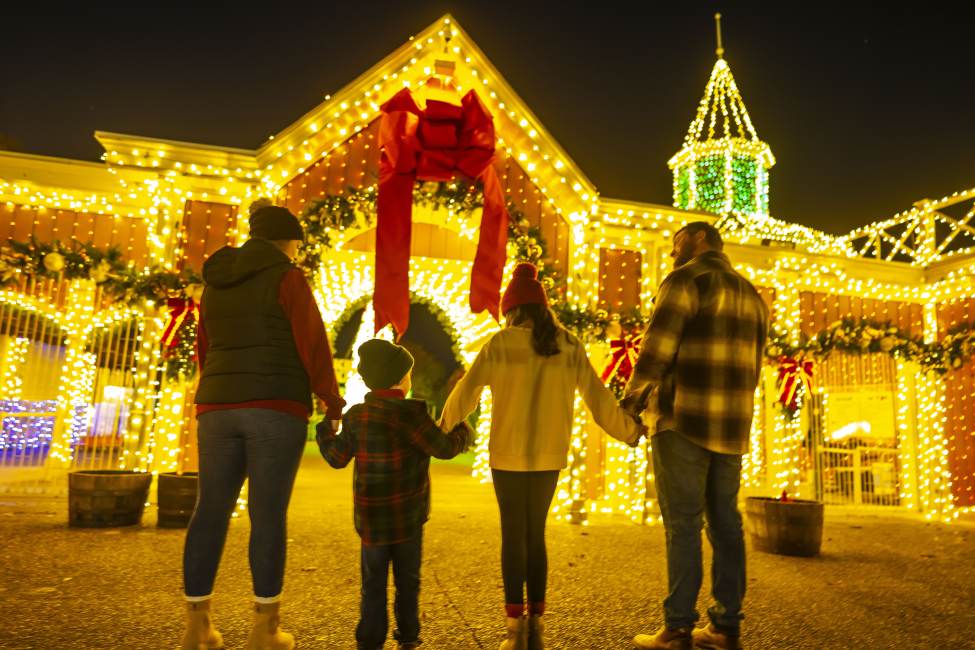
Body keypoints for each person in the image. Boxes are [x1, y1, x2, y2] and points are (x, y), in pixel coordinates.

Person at [439, 262, 646, 650]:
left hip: (507, 454)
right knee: (536, 534)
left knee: (512, 535)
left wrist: (441, 430)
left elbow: (465, 392)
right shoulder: (568, 344)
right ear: (543, 308)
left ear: (512, 310)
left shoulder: (500, 343)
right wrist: (630, 431)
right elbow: (598, 399)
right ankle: (537, 626)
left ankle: (514, 631)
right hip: (550, 456)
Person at [181, 203, 346, 650]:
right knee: (267, 514)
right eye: (296, 244)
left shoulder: (213, 284)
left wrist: (217, 390)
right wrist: (332, 402)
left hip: (216, 406)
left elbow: (205, 347)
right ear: (284, 242)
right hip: (275, 406)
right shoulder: (287, 277)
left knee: (210, 510)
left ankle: (197, 626)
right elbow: (311, 342)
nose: (297, 252)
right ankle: (264, 630)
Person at [622, 222, 769, 650]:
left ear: (700, 239)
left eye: (677, 243)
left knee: (683, 524)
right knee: (726, 525)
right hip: (731, 427)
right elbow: (755, 364)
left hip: (684, 419)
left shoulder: (686, 280)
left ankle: (678, 628)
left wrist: (631, 405)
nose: (672, 253)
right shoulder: (752, 295)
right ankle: (725, 627)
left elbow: (656, 350)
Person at [317, 338, 472, 650]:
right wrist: (462, 432)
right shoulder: (413, 415)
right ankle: (409, 634)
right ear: (402, 380)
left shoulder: (357, 416)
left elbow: (337, 458)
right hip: (408, 518)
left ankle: (370, 638)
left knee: (372, 582)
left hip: (371, 519)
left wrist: (325, 430)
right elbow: (443, 448)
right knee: (408, 580)